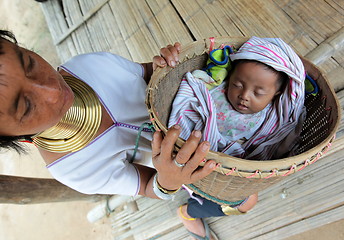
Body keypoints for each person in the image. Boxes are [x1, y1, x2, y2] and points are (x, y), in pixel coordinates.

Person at [0, 29, 218, 200]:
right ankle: (191, 214)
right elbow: (147, 186)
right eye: (25, 106)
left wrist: (166, 64)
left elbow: (148, 73)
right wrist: (169, 181)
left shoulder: (90, 66)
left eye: (30, 63)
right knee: (242, 202)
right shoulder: (73, 168)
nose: (52, 90)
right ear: (9, 137)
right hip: (199, 166)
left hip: (219, 109)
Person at [170, 36, 306, 239]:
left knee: (247, 201)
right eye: (237, 84)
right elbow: (193, 99)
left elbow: (270, 143)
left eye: (259, 92)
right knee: (246, 202)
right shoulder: (215, 92)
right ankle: (189, 213)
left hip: (234, 173)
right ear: (230, 77)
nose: (245, 95)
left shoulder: (272, 116)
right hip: (196, 161)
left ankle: (192, 209)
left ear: (276, 95)